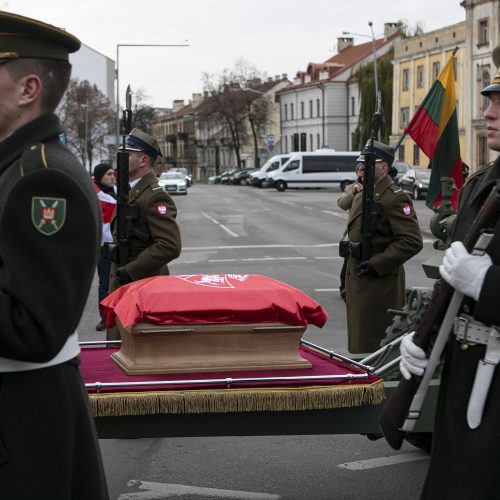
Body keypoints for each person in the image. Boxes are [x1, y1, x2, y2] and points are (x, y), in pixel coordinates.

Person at [0, 11, 108, 499]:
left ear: (27, 89)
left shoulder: (43, 177)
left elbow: (33, 329)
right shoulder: (13, 167)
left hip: (20, 417)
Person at [400, 46, 500, 500]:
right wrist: (424, 339)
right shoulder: (485, 181)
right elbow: (453, 279)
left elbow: (474, 280)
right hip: (467, 367)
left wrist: (487, 284)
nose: (488, 112)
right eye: (490, 99)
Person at [345, 140, 423, 353]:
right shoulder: (364, 192)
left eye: (370, 163)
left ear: (384, 167)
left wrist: (377, 264)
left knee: (374, 347)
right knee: (360, 341)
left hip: (379, 284)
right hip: (358, 276)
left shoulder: (394, 198)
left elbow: (412, 241)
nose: (363, 168)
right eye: (362, 163)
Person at [108, 129, 182, 338]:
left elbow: (169, 245)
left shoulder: (154, 197)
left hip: (142, 288)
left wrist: (131, 270)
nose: (120, 160)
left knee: (133, 351)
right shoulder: (129, 192)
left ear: (143, 160)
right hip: (126, 286)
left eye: (127, 155)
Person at [93, 162, 117, 331]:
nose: (112, 176)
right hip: (102, 246)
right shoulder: (94, 195)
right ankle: (105, 317)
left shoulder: (118, 192)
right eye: (108, 174)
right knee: (104, 284)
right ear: (100, 177)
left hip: (118, 243)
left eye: (113, 173)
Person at [338, 164, 364, 302]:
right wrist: (353, 192)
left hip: (368, 232)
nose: (362, 172)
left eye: (365, 170)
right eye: (360, 170)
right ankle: (344, 287)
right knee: (348, 261)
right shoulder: (351, 187)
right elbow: (342, 204)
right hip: (353, 232)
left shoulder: (376, 187)